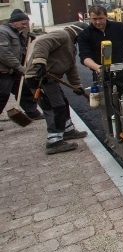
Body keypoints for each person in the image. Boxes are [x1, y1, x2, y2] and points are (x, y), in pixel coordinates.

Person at [25, 22, 89, 154]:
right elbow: (42, 42)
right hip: (40, 78)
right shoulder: (62, 35)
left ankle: (67, 131)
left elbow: (71, 68)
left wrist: (76, 85)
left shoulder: (71, 46)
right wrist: (40, 62)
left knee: (63, 104)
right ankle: (54, 142)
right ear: (79, 34)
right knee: (55, 107)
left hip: (52, 79)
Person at [77, 5, 123, 111]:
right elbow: (85, 57)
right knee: (108, 106)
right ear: (89, 18)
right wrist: (97, 68)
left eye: (100, 18)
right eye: (94, 19)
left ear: (106, 16)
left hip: (122, 73)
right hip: (101, 75)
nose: (98, 22)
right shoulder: (84, 35)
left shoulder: (119, 27)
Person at [0, 9, 44, 120]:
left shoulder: (16, 32)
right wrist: (20, 67)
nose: (25, 26)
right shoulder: (2, 32)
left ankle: (33, 112)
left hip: (14, 71)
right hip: (4, 72)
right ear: (13, 22)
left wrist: (29, 39)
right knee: (2, 96)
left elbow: (19, 50)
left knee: (25, 90)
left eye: (26, 24)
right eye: (23, 24)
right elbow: (5, 54)